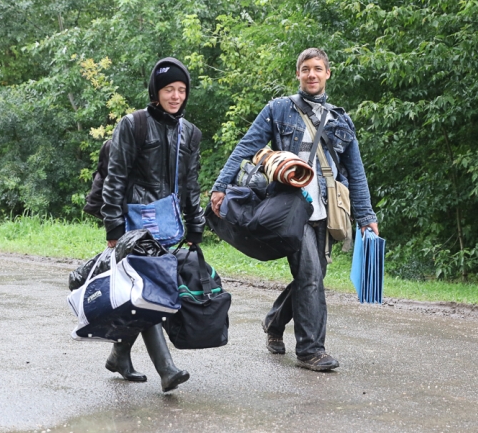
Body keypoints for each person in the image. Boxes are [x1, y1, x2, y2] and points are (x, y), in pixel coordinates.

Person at [210, 48, 379, 371]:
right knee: (311, 276)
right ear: (298, 74)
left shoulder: (341, 120)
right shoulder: (278, 110)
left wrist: (366, 217)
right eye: (305, 69)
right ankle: (311, 351)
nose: (311, 74)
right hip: (290, 208)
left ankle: (274, 322)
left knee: (311, 276)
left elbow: (355, 172)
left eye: (318, 68)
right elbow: (246, 147)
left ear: (328, 73)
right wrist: (220, 187)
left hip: (326, 212)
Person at [100, 57, 205, 391]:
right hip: (135, 226)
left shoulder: (190, 133)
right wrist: (114, 228)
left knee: (145, 294)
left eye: (181, 90)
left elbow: (190, 184)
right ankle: (167, 369)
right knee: (149, 294)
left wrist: (196, 225)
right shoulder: (134, 125)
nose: (175, 96)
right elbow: (114, 177)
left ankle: (119, 356)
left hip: (170, 226)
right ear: (156, 91)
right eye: (168, 89)